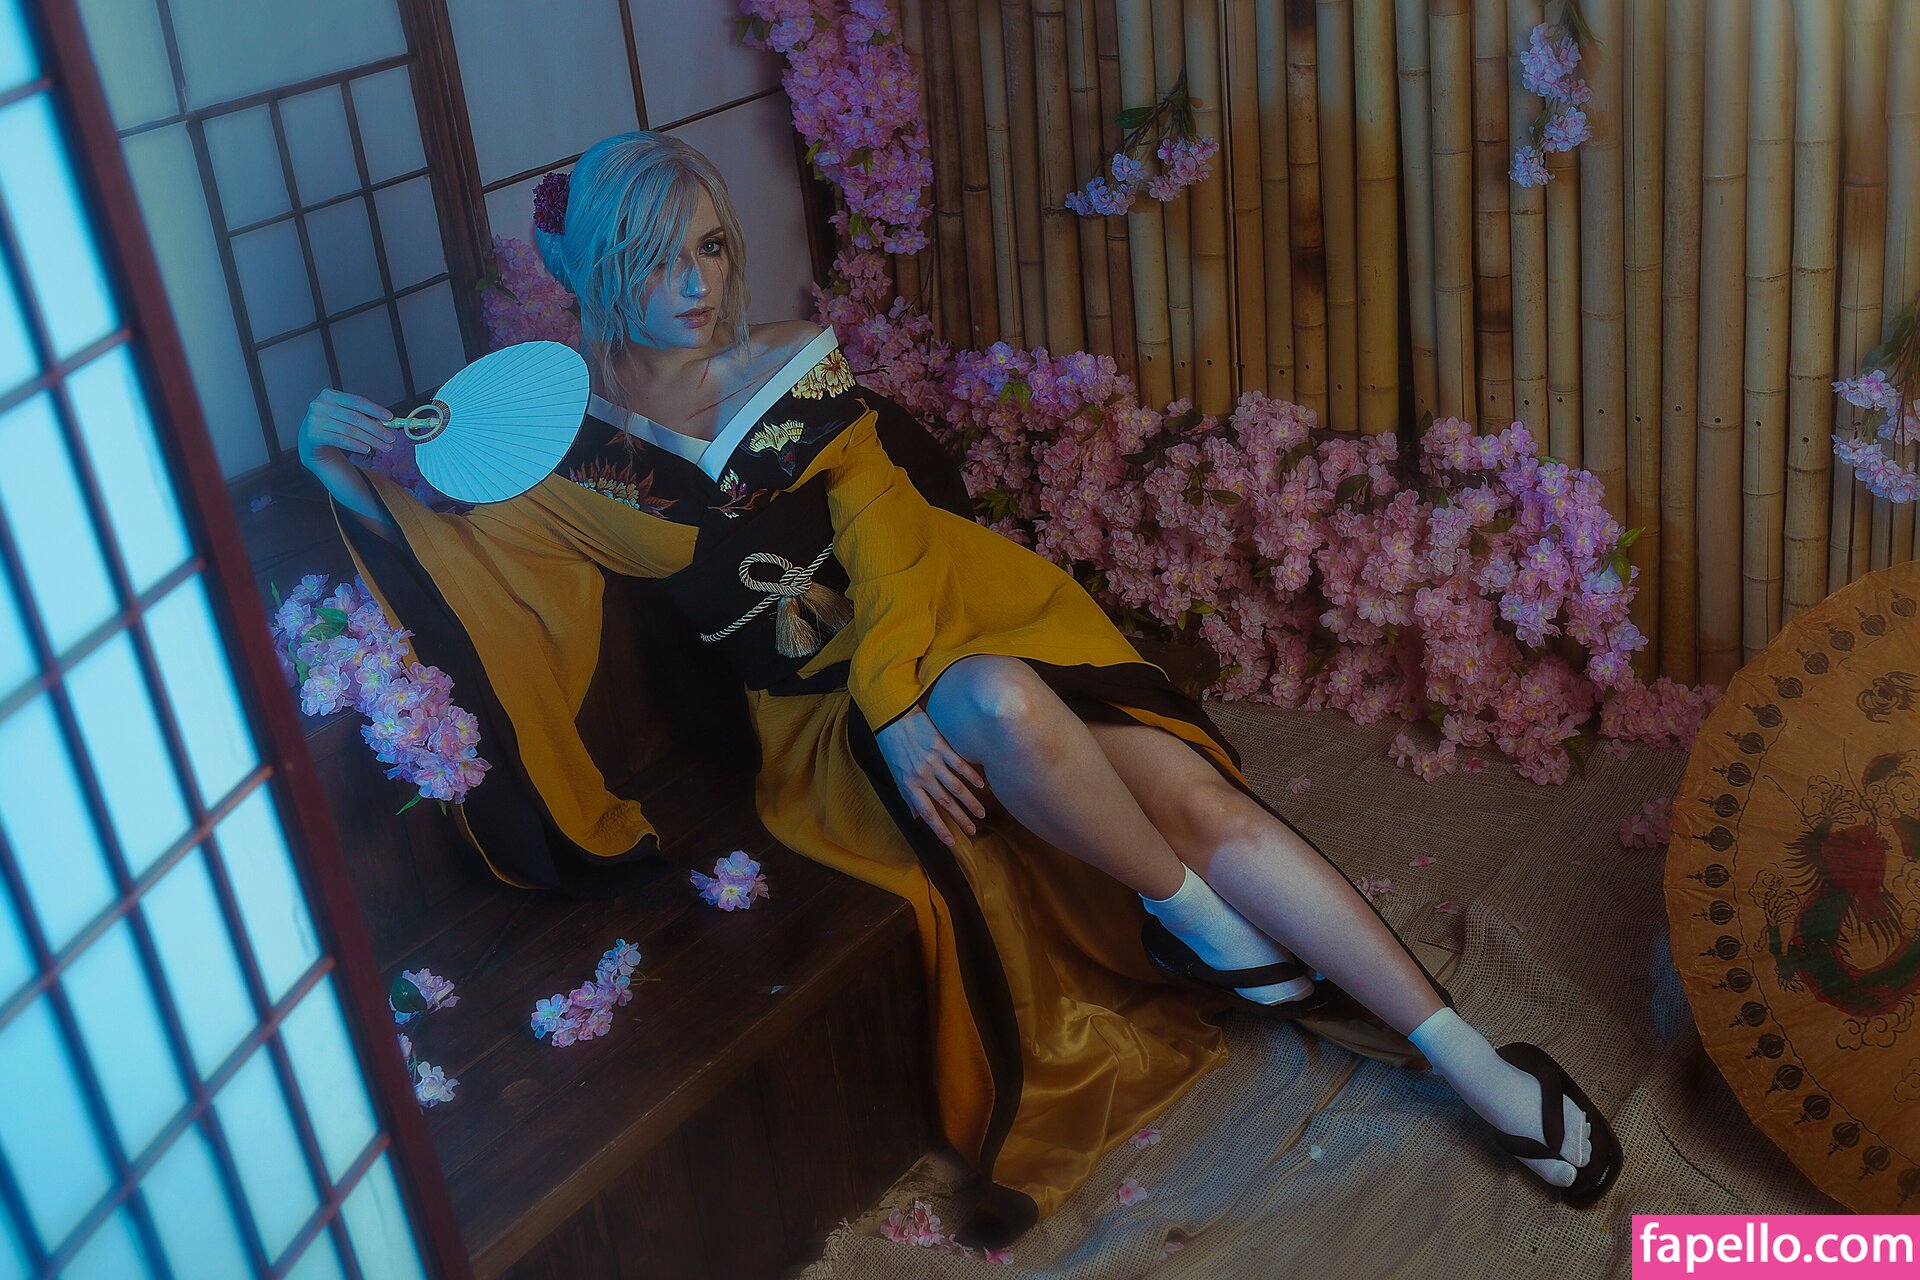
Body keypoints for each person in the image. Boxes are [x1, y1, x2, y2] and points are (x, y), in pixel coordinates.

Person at [299, 130, 1619, 1247]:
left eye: (710, 246)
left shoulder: (789, 360)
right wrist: (339, 461)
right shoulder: (566, 462)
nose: (696, 283)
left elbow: (887, 537)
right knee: (998, 711)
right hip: (815, 721)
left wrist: (894, 696)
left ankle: (1468, 1061)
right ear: (594, 271)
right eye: (656, 259)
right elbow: (475, 582)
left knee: (1158, 781)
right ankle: (1203, 922)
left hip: (943, 616)